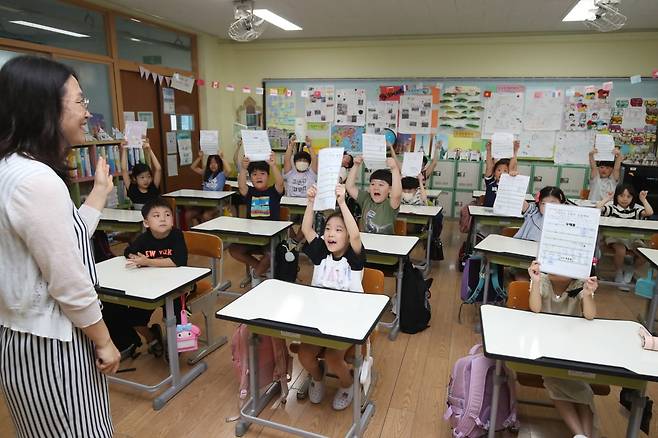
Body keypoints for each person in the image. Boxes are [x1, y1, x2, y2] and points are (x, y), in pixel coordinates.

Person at [0, 55, 120, 437]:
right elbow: (67, 277)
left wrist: (99, 193)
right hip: (54, 344)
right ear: (46, 109)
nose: (88, 113)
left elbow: (61, 241)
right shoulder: (36, 179)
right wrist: (104, 340)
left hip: (20, 338)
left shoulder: (11, 169)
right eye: (81, 102)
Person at [298, 183, 366, 410]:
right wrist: (310, 202)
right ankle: (317, 379)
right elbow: (307, 229)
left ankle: (347, 385)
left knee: (333, 358)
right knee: (305, 355)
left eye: (338, 229)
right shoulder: (320, 253)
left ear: (347, 236)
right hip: (319, 318)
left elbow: (355, 234)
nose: (330, 233)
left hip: (348, 321)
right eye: (328, 228)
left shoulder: (353, 258)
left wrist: (342, 203)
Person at [103, 197, 188, 356]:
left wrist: (147, 261)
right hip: (149, 287)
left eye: (167, 215)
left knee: (174, 317)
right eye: (156, 216)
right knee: (133, 318)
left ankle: (174, 345)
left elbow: (178, 261)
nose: (163, 219)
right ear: (146, 223)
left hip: (176, 286)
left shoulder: (177, 235)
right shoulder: (144, 239)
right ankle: (153, 338)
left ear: (172, 220)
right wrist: (138, 260)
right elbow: (128, 252)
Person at [528, 260, 598, 437]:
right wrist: (535, 282)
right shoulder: (541, 280)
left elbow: (590, 315)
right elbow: (535, 308)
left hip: (573, 346)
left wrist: (588, 294)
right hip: (546, 343)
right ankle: (581, 435)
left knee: (581, 389)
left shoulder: (580, 285)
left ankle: (582, 436)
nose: (554, 268)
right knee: (555, 381)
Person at [229, 154, 284, 286]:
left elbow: (280, 183)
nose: (258, 176)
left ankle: (256, 274)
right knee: (234, 250)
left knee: (271, 253)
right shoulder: (250, 192)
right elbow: (241, 186)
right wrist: (243, 169)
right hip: (252, 236)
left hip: (271, 237)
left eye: (262, 173)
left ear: (268, 176)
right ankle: (261, 267)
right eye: (254, 174)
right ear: (250, 178)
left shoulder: (274, 192)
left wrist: (272, 165)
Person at [596, 183, 653, 288]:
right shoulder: (612, 208)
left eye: (628, 196)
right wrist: (607, 198)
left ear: (632, 198)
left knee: (646, 254)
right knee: (621, 250)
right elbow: (598, 208)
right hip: (614, 237)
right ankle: (618, 273)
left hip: (632, 238)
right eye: (621, 195)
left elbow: (649, 212)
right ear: (616, 196)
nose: (625, 199)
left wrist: (643, 199)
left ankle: (630, 270)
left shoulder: (635, 210)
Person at [345, 156, 402, 234]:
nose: (376, 188)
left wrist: (394, 169)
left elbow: (397, 194)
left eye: (381, 185)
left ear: (390, 189)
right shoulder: (366, 198)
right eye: (372, 184)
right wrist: (355, 165)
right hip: (365, 242)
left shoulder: (391, 204)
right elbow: (349, 187)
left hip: (385, 243)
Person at [284, 136, 317, 244]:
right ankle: (291, 242)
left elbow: (315, 159)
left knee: (307, 223)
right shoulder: (290, 172)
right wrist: (291, 145)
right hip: (290, 204)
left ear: (308, 163)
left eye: (304, 160)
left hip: (307, 204)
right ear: (295, 162)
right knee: (285, 221)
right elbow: (286, 159)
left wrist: (310, 146)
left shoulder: (311, 173)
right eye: (299, 160)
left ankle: (293, 242)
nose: (302, 162)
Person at [186, 150, 233, 225]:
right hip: (203, 203)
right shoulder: (206, 173)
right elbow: (193, 167)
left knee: (206, 216)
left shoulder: (222, 174)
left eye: (215, 163)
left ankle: (208, 235)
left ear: (219, 164)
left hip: (216, 204)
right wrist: (199, 158)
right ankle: (192, 233)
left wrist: (222, 158)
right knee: (188, 214)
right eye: (211, 163)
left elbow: (229, 170)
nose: (213, 165)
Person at [120, 138, 162, 209]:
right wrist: (124, 149)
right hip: (137, 218)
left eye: (149, 177)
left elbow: (158, 169)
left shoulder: (153, 188)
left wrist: (149, 150)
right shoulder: (132, 189)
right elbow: (124, 170)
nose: (146, 180)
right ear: (134, 178)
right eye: (142, 177)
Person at [482, 140, 519, 207]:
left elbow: (513, 166)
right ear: (494, 172)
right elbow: (489, 166)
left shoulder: (511, 183)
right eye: (499, 170)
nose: (501, 173)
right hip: (488, 214)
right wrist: (489, 150)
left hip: (504, 214)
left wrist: (515, 151)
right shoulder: (491, 181)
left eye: (505, 171)